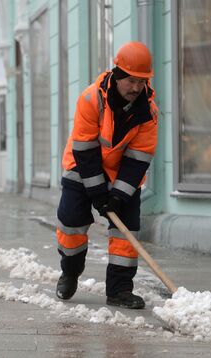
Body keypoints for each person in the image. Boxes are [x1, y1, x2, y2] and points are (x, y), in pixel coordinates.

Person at [55, 41, 158, 309]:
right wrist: (99, 194)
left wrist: (119, 196)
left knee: (127, 230)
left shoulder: (148, 112)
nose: (136, 88)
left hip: (121, 173)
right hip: (82, 167)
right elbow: (85, 148)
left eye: (142, 82)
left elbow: (138, 160)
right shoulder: (91, 99)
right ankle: (70, 271)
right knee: (71, 222)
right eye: (131, 81)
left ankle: (120, 290)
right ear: (118, 74)